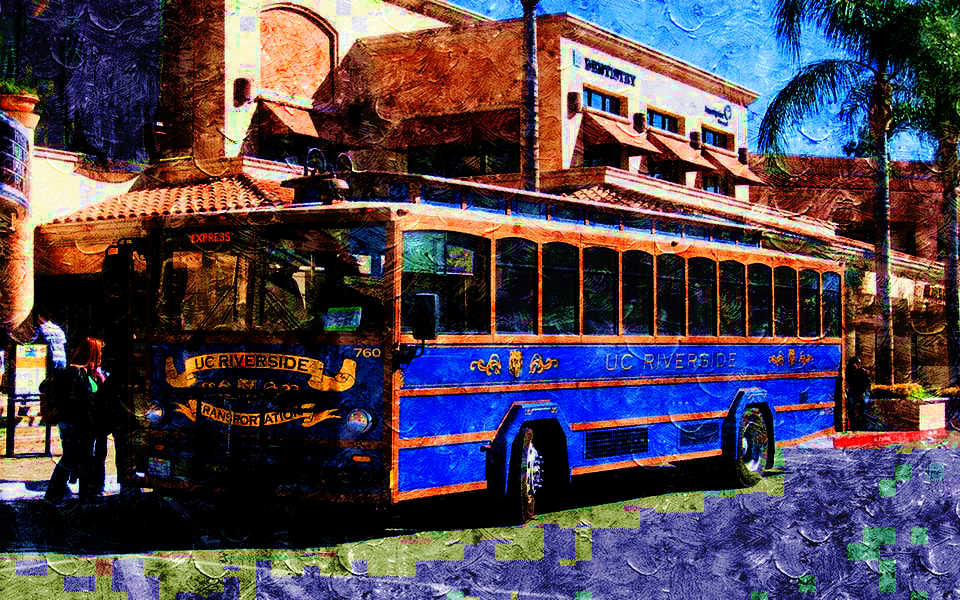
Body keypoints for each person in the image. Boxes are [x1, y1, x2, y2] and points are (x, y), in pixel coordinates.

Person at [44, 337, 107, 503]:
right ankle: (56, 493)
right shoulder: (76, 373)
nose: (101, 357)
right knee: (73, 457)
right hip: (77, 423)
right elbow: (83, 400)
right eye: (99, 353)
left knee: (79, 458)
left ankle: (79, 494)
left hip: (75, 423)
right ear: (93, 354)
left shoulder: (83, 372)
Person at [846, 356, 871, 431]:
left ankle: (860, 425)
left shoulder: (861, 371)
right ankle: (854, 425)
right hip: (854, 392)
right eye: (855, 364)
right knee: (853, 409)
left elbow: (866, 383)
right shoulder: (850, 371)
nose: (856, 365)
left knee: (862, 408)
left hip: (860, 392)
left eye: (857, 364)